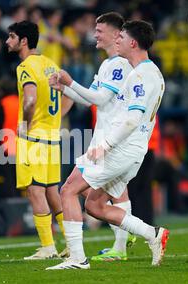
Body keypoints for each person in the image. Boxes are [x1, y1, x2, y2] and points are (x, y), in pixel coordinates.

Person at [47, 20, 169, 270]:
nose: (117, 41)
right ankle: (152, 234)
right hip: (128, 149)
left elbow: (133, 118)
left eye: (121, 37)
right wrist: (67, 88)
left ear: (132, 42)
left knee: (68, 190)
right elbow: (101, 101)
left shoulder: (140, 75)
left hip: (119, 148)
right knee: (94, 205)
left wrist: (106, 145)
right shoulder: (143, 72)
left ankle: (77, 259)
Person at [49, 12, 136, 262]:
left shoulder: (120, 64)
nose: (94, 34)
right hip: (105, 137)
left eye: (99, 30)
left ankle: (124, 237)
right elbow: (90, 101)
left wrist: (71, 81)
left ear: (115, 34)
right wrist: (64, 88)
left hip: (111, 140)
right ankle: (123, 239)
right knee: (114, 191)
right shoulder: (107, 64)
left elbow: (100, 99)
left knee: (72, 188)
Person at [5, 21, 70, 259]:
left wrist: (26, 123)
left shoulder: (25, 67)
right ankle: (71, 244)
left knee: (35, 191)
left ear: (23, 41)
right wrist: (55, 118)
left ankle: (48, 247)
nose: (7, 42)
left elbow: (30, 99)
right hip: (52, 137)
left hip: (34, 139)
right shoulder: (50, 64)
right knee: (52, 192)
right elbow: (70, 95)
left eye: (11, 37)